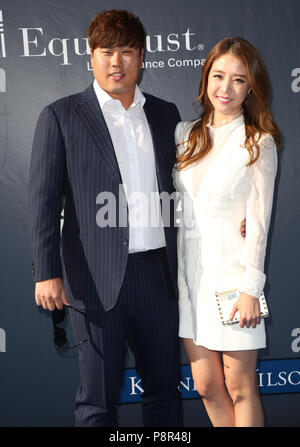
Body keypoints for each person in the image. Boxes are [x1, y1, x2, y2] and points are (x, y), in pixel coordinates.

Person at [28, 9, 183, 427]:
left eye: (127, 51)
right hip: (93, 281)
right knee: (96, 402)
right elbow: (43, 201)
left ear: (142, 57)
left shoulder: (166, 114)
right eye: (107, 51)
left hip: (158, 277)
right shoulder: (61, 115)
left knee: (165, 392)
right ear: (91, 56)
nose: (117, 61)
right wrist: (47, 272)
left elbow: (184, 188)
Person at [173, 37, 281, 427]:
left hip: (235, 281)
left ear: (250, 87)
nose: (225, 88)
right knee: (205, 385)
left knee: (240, 386)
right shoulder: (185, 135)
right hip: (190, 280)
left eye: (238, 80)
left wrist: (252, 288)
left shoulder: (258, 142)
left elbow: (259, 219)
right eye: (218, 76)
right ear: (206, 79)